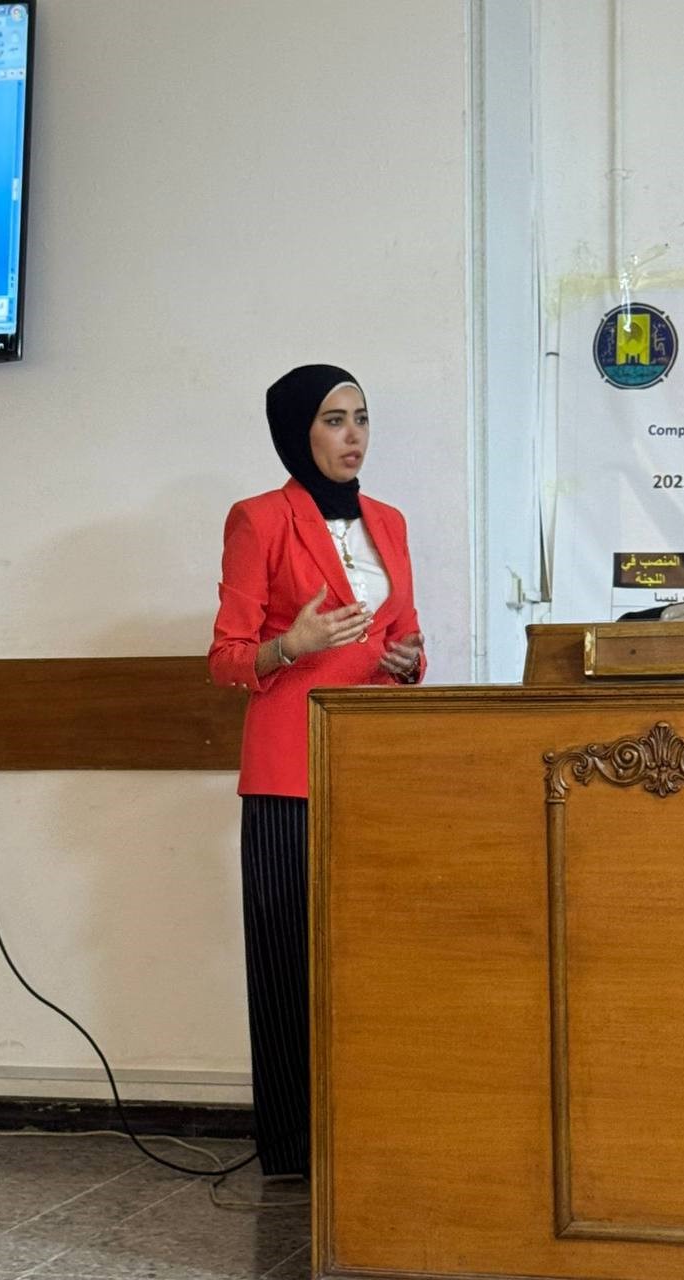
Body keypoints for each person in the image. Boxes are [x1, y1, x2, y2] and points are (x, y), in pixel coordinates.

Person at [208, 363, 425, 1176]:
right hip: (286, 769)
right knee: (286, 961)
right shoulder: (259, 519)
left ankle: (368, 1128)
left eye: (361, 417)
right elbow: (226, 658)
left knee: (374, 955)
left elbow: (407, 637)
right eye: (334, 420)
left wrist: (408, 661)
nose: (353, 435)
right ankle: (295, 1148)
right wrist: (290, 646)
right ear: (297, 431)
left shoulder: (390, 522)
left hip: (372, 765)